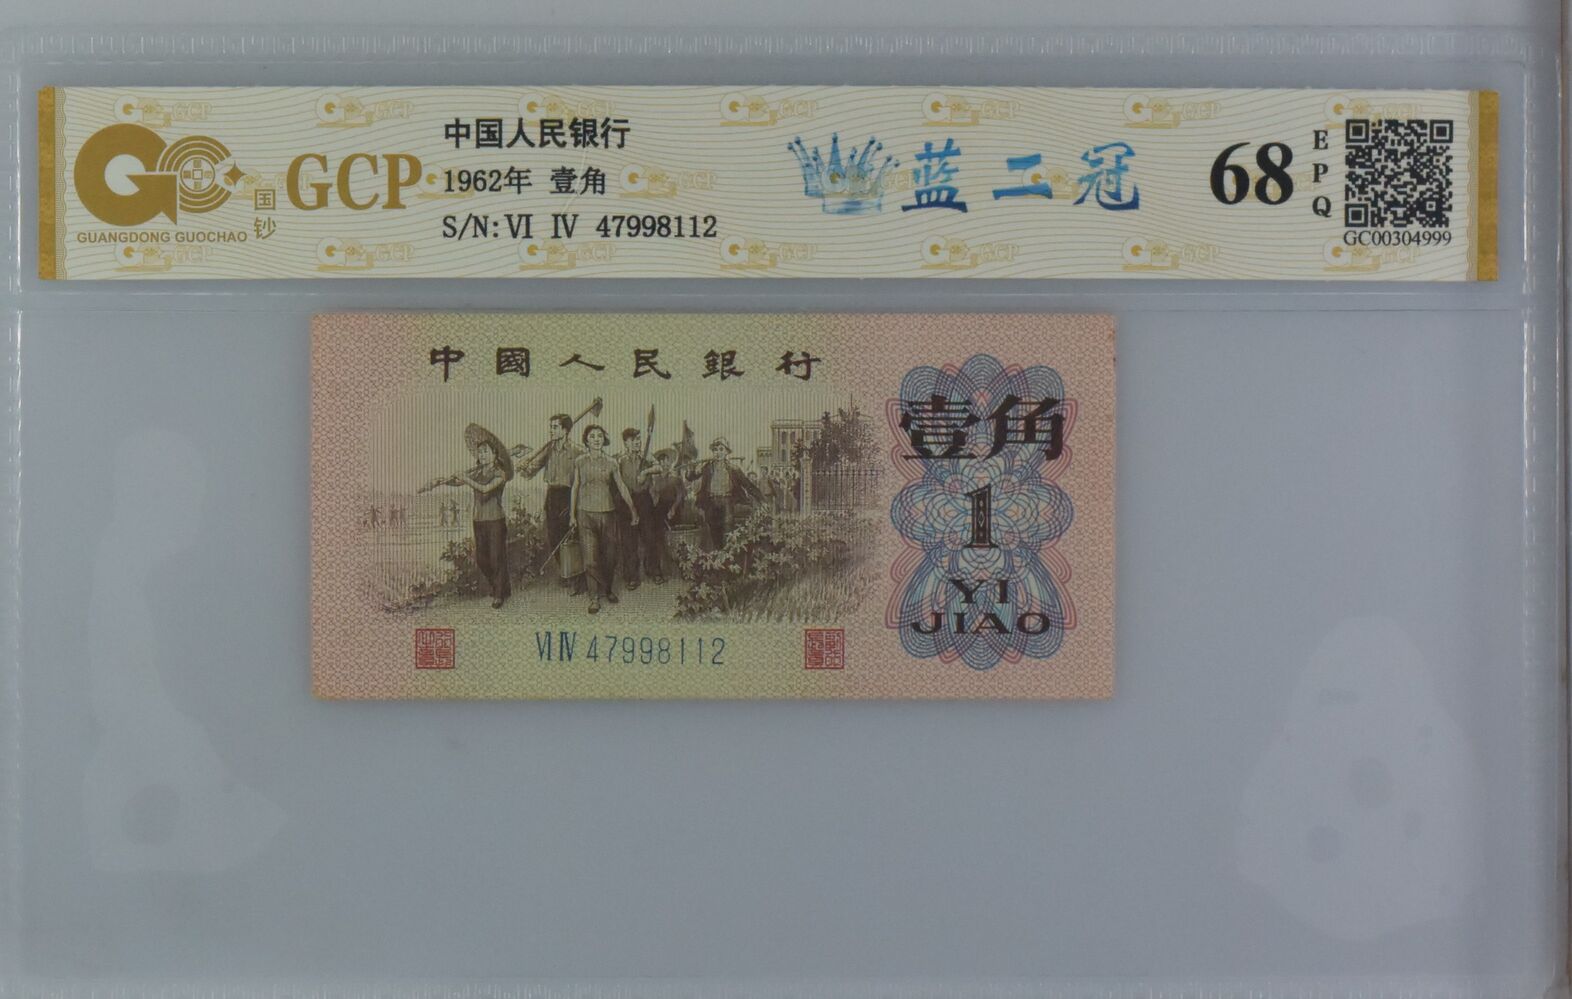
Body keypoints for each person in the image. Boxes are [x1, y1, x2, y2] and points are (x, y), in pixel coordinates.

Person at [570, 425, 638, 614]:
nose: (596, 439)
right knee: (590, 559)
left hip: (608, 514)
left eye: (600, 436)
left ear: (604, 439)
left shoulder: (611, 463)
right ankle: (594, 598)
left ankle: (607, 589)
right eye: (592, 436)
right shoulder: (580, 462)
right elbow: (575, 487)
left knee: (610, 556)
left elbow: (622, 486)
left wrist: (633, 510)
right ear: (586, 440)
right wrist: (572, 515)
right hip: (585, 514)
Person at [519, 413, 584, 595]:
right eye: (551, 427)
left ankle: (577, 578)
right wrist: (523, 466)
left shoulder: (577, 451)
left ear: (565, 430)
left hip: (570, 496)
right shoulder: (548, 450)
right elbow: (530, 472)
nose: (551, 430)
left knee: (571, 538)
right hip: (552, 496)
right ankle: (566, 571)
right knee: (554, 537)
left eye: (555, 427)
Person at [449, 429, 513, 609]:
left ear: (494, 454)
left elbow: (485, 489)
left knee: (496, 557)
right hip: (478, 520)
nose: (482, 455)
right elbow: (457, 482)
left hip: (495, 520)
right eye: (480, 452)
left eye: (486, 451)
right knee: (481, 559)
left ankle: (499, 594)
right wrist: (447, 479)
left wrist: (465, 478)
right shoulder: (476, 472)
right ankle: (501, 586)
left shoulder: (500, 474)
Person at [684, 436, 764, 549]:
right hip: (711, 502)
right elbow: (691, 477)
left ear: (726, 452)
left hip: (727, 502)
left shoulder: (733, 468)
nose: (718, 452)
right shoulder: (707, 467)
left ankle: (727, 554)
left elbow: (748, 485)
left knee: (728, 530)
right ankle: (717, 554)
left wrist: (761, 499)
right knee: (713, 530)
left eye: (721, 449)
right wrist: (691, 468)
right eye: (715, 450)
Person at [637, 448, 687, 584]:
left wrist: (673, 509)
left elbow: (680, 495)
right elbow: (652, 493)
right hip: (658, 511)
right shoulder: (654, 478)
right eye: (661, 461)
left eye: (667, 461)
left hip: (672, 509)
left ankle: (681, 569)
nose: (665, 463)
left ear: (670, 462)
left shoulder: (675, 478)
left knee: (675, 539)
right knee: (658, 539)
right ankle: (655, 568)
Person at [615, 428, 655, 590]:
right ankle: (632, 576)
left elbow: (659, 467)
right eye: (633, 440)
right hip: (626, 501)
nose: (637, 442)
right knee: (628, 540)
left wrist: (645, 471)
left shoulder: (646, 457)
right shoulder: (620, 460)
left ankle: (653, 569)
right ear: (625, 443)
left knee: (649, 536)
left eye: (638, 439)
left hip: (644, 500)